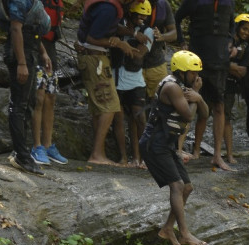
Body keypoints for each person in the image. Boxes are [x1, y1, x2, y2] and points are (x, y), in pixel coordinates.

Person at [139, 50, 209, 245]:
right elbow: (188, 116)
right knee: (177, 186)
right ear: (181, 71)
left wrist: (199, 97)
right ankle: (184, 233)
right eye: (192, 73)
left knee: (187, 187)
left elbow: (205, 113)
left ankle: (168, 229)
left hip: (167, 144)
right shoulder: (172, 87)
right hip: (154, 143)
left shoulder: (187, 88)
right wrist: (195, 99)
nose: (196, 77)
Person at [75, 0, 139, 165]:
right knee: (110, 106)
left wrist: (128, 33)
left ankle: (99, 153)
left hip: (95, 58)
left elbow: (105, 28)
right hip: (95, 60)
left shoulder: (110, 8)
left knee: (100, 107)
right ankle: (96, 154)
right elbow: (92, 37)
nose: (137, 3)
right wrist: (119, 43)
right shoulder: (108, 9)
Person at [175, 0, 235, 171]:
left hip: (220, 61)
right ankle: (178, 149)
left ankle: (217, 155)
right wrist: (182, 42)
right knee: (190, 101)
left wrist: (232, 42)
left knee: (219, 106)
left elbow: (232, 25)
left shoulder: (229, 2)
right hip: (197, 61)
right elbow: (177, 18)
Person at [0, 0, 52, 175]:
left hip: (30, 47)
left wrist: (42, 52)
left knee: (28, 103)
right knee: (19, 104)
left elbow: (29, 26)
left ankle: (20, 150)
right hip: (21, 51)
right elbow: (16, 28)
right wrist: (21, 62)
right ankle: (21, 156)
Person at [112, 0, 155, 167]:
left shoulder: (148, 31)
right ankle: (124, 158)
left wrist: (122, 44)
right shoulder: (119, 24)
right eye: (139, 16)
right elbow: (113, 30)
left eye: (145, 16)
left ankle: (145, 158)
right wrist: (133, 37)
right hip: (116, 78)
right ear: (131, 13)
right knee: (118, 119)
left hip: (135, 81)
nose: (142, 19)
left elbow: (139, 55)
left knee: (140, 120)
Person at [31, 0, 68, 166]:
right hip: (36, 49)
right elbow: (30, 28)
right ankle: (36, 146)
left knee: (50, 97)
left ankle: (47, 145)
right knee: (38, 97)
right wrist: (42, 51)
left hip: (51, 50)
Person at [224, 13, 249, 164]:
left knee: (226, 118)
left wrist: (225, 65)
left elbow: (242, 71)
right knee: (201, 115)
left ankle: (229, 154)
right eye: (244, 29)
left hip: (230, 84)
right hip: (214, 81)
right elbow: (215, 58)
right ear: (237, 27)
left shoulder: (247, 48)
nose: (246, 33)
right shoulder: (225, 40)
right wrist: (230, 66)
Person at [142, 0, 177, 101]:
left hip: (156, 62)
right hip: (133, 64)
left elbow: (174, 33)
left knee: (160, 99)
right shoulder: (132, 3)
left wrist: (162, 36)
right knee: (135, 103)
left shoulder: (163, 5)